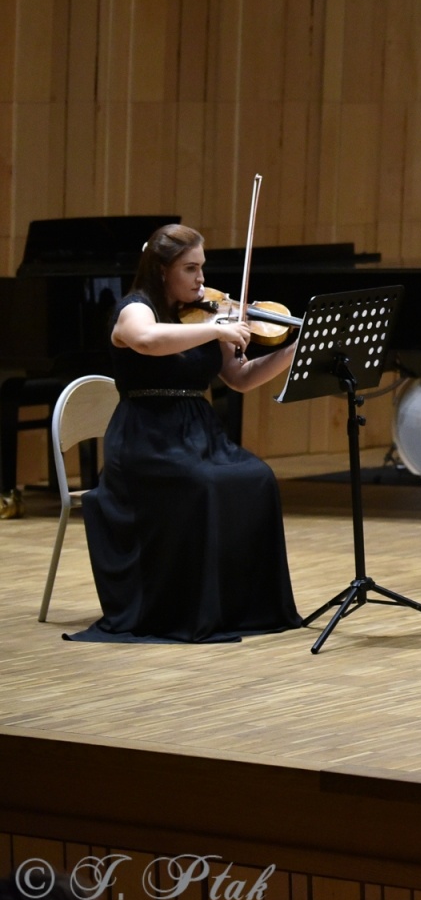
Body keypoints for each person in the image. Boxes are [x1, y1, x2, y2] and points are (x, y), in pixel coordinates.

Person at [72, 224, 301, 642]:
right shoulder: (135, 309)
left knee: (258, 478)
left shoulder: (206, 314)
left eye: (202, 267)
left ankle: (240, 607)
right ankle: (191, 608)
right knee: (203, 485)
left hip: (199, 433)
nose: (201, 279)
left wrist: (291, 352)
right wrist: (216, 330)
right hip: (146, 437)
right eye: (190, 269)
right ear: (162, 270)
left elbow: (240, 378)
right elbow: (146, 340)